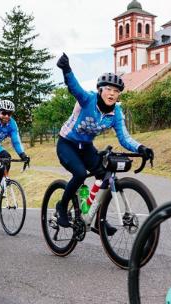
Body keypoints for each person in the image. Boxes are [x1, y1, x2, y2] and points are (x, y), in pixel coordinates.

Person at [54, 53, 154, 234]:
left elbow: (124, 138)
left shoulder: (116, 113)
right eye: (108, 89)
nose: (112, 94)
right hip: (66, 144)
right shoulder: (88, 100)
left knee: (104, 176)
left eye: (116, 91)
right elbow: (75, 88)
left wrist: (141, 148)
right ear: (100, 90)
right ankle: (62, 206)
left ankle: (97, 219)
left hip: (86, 147)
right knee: (79, 174)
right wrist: (66, 70)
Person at [0, 99, 30, 190]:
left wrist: (22, 154)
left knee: (6, 157)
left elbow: (16, 141)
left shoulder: (12, 124)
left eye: (9, 114)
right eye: (4, 113)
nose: (6, 116)